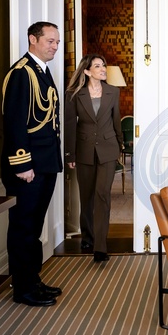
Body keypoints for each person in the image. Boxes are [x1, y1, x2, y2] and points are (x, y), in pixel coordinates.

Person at [1, 22, 63, 307]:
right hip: (28, 167)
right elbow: (15, 123)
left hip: (45, 164)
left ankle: (32, 279)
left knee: (34, 226)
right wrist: (22, 164)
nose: (55, 46)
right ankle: (22, 288)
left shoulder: (42, 71)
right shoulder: (21, 73)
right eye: (50, 41)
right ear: (33, 39)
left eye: (57, 42)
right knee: (23, 227)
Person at [64, 54, 124, 262]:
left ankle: (100, 246)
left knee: (102, 195)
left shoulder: (113, 92)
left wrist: (120, 146)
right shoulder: (74, 94)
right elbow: (70, 125)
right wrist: (70, 153)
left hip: (108, 150)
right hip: (84, 150)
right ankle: (88, 237)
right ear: (87, 71)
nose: (103, 69)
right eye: (97, 66)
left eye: (103, 65)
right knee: (87, 196)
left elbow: (116, 120)